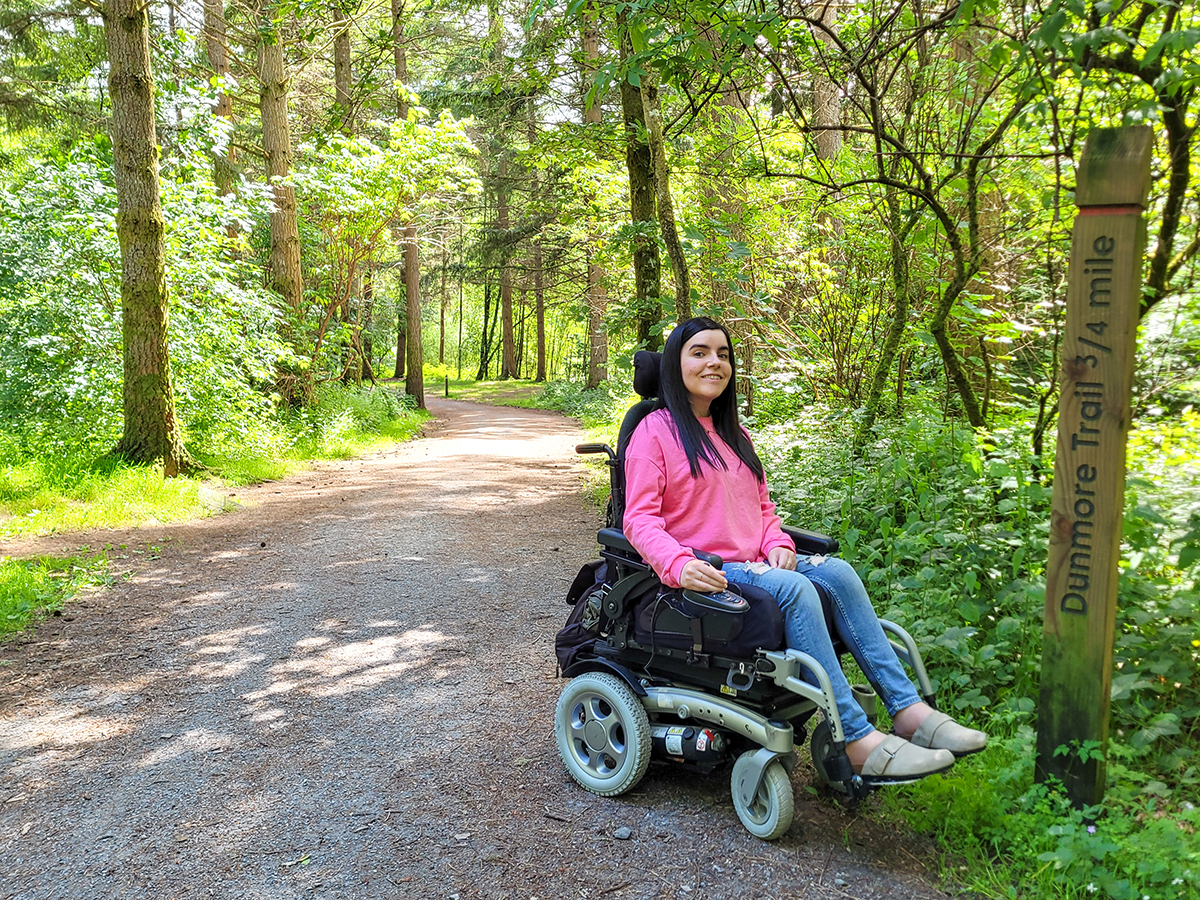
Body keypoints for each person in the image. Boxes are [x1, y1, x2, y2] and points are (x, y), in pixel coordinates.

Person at [622, 316, 986, 783]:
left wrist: (776, 541)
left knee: (838, 574)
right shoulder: (654, 432)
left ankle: (909, 712)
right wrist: (679, 564)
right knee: (794, 589)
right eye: (699, 352)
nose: (714, 362)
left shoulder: (734, 434)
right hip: (709, 572)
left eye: (723, 353)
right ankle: (854, 738)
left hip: (753, 564)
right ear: (675, 363)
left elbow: (762, 508)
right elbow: (639, 519)